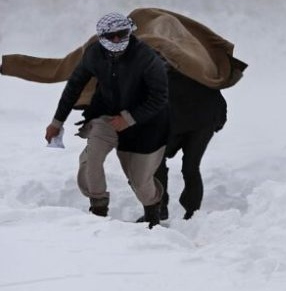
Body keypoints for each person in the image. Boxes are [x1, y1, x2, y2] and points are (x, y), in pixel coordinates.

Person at [44, 13, 169, 228]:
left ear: (130, 32)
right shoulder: (94, 54)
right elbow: (73, 86)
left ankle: (153, 212)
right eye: (111, 36)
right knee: (92, 158)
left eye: (122, 34)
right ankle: (98, 209)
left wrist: (128, 119)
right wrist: (57, 122)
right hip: (106, 117)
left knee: (139, 181)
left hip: (145, 123)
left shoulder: (147, 58)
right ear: (101, 37)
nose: (117, 40)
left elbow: (159, 98)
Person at [136, 68, 227, 222]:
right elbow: (217, 99)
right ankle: (191, 214)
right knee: (191, 167)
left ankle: (159, 209)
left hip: (180, 122)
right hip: (202, 122)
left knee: (157, 163)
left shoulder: (155, 68)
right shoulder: (198, 65)